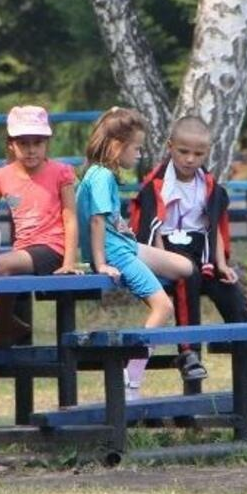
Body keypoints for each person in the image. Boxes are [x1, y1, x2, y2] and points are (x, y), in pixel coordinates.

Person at [132, 115, 247, 393]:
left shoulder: (209, 186)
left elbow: (215, 227)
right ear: (170, 147)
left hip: (204, 253)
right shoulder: (157, 185)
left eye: (198, 154)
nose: (190, 159)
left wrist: (222, 264)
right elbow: (153, 227)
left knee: (233, 294)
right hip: (170, 252)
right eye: (183, 152)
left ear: (207, 152)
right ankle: (189, 353)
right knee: (188, 276)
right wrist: (164, 260)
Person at [76, 107, 192, 400]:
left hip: (122, 244)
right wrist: (100, 263)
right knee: (163, 307)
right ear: (117, 146)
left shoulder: (99, 175)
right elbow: (95, 221)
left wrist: (121, 226)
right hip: (116, 254)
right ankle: (131, 378)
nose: (140, 154)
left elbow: (106, 218)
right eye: (136, 148)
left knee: (185, 267)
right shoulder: (101, 176)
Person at [0, 104, 77, 347]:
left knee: (1, 265)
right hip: (22, 251)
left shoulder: (61, 172)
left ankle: (5, 329)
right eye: (23, 143)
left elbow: (70, 217)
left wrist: (69, 262)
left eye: (37, 143)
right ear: (11, 144)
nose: (31, 150)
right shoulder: (2, 175)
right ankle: (12, 328)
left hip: (52, 249)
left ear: (46, 143)